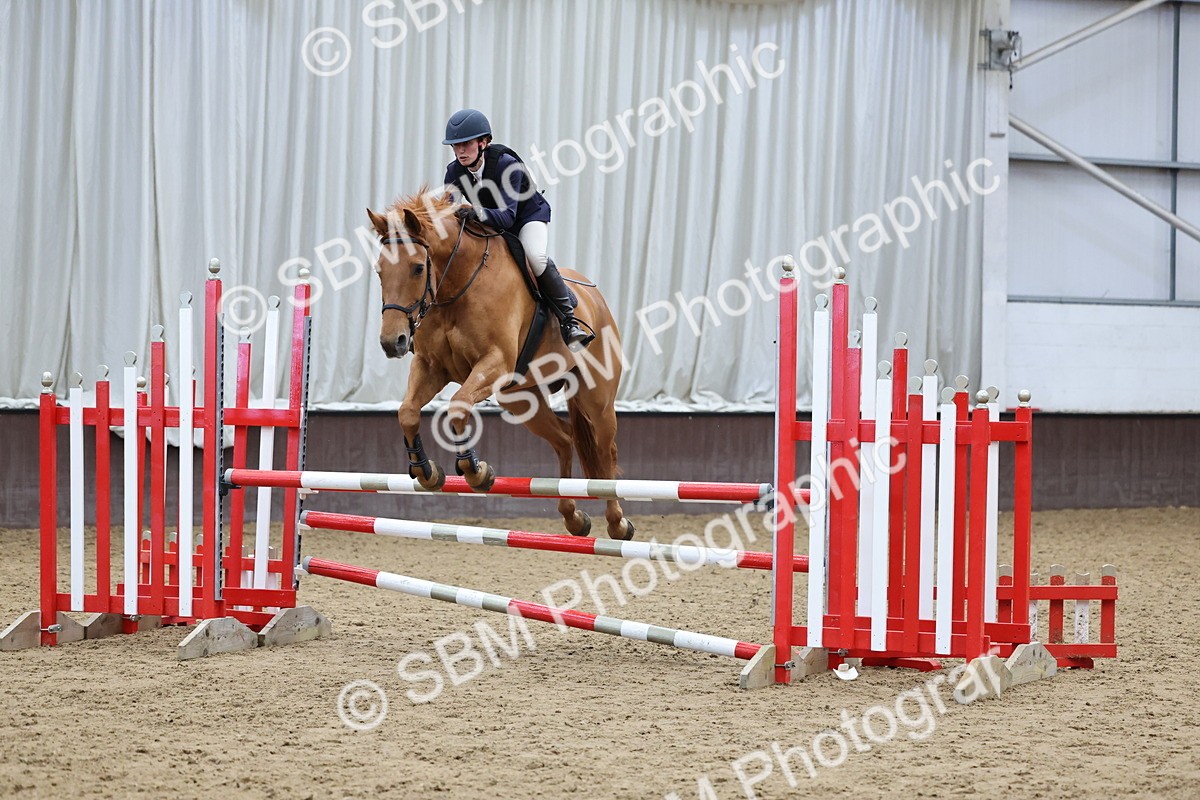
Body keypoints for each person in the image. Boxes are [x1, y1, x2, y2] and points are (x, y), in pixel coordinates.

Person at [441, 108, 593, 350]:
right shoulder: (454, 172)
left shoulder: (506, 165)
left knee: (533, 255)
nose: (460, 151)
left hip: (525, 218)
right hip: (491, 220)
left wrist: (475, 212)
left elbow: (508, 219)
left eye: (466, 144)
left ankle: (569, 320)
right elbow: (448, 210)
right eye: (455, 145)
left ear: (483, 142)